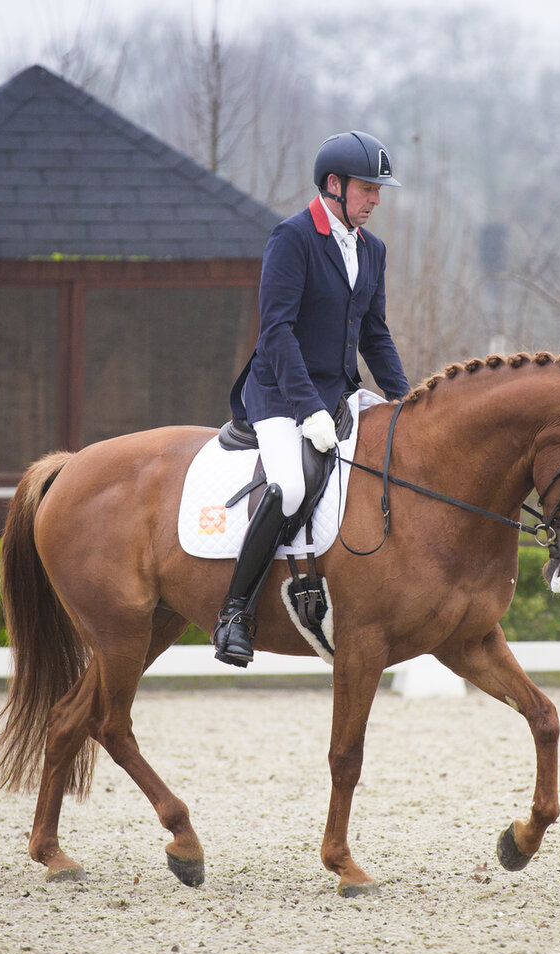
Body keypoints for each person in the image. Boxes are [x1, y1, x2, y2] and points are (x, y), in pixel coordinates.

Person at [212, 131, 411, 667]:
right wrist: (308, 409)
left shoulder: (373, 250)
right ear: (334, 185)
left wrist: (410, 400)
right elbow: (276, 333)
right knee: (292, 485)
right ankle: (236, 613)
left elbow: (375, 335)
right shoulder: (293, 237)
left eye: (378, 191)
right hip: (281, 393)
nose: (375, 200)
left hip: (339, 392)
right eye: (368, 189)